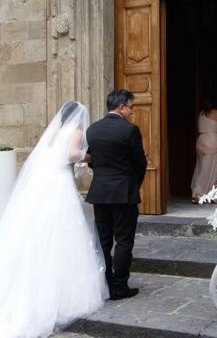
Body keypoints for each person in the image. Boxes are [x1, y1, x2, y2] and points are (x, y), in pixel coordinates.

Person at [0, 101, 108, 338]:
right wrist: (89, 156)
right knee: (63, 230)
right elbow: (71, 154)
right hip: (59, 183)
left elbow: (50, 154)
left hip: (44, 183)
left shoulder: (56, 132)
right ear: (78, 117)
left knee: (41, 228)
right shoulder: (77, 131)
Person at [86, 89, 147, 300]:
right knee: (124, 240)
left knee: (103, 240)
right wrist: (133, 184)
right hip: (123, 193)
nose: (132, 112)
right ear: (121, 107)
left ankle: (104, 284)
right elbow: (140, 163)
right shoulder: (129, 130)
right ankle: (119, 287)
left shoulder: (92, 130)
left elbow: (93, 161)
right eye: (131, 107)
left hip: (99, 192)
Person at [191, 98, 217, 201]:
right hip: (212, 140)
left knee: (201, 167)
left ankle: (198, 191)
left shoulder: (201, 114)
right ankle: (202, 192)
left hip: (201, 140)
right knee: (213, 169)